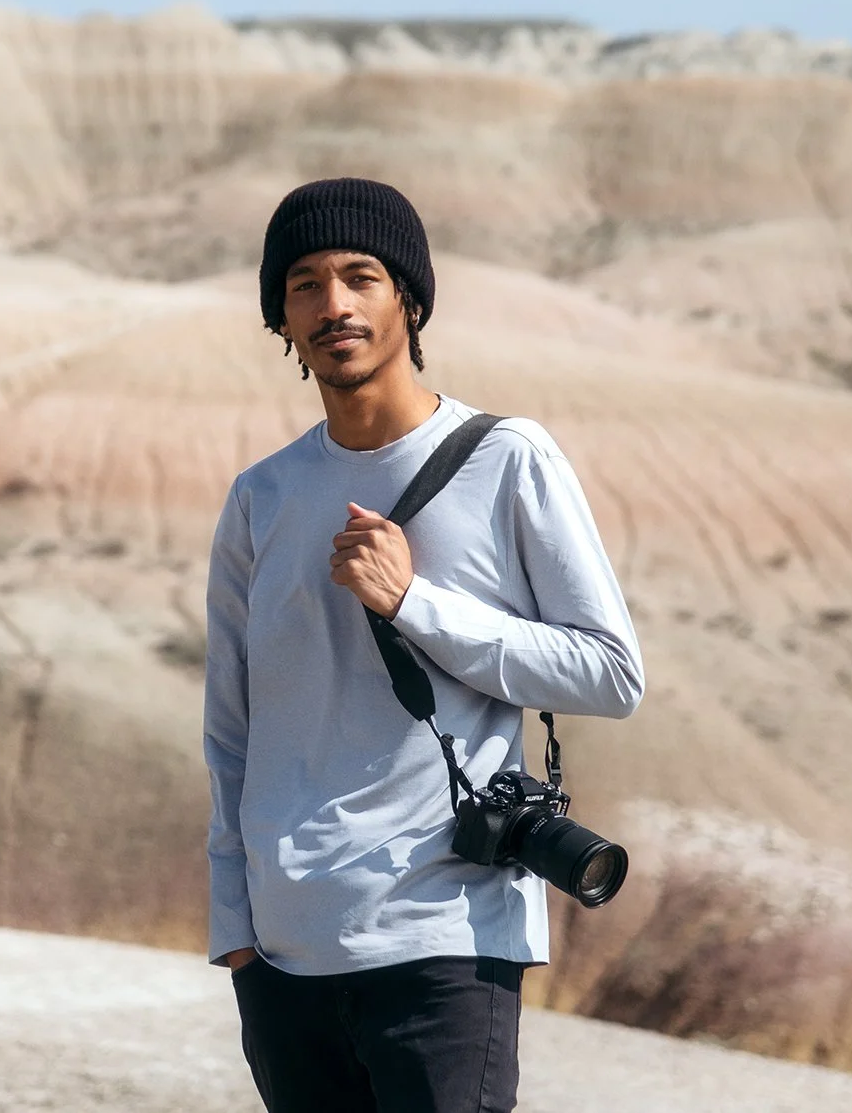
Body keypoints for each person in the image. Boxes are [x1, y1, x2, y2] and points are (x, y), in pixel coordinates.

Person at [203, 177, 645, 1113]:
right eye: (305, 285)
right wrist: (235, 926)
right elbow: (231, 726)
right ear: (281, 318)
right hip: (285, 954)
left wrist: (416, 602)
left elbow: (610, 671)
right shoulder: (263, 497)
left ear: (410, 294)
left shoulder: (506, 457)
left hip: (443, 934)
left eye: (361, 276)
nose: (335, 306)